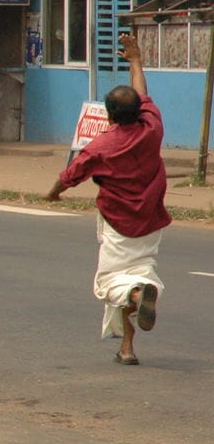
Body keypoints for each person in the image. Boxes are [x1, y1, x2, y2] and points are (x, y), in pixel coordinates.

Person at [46, 32, 168, 365]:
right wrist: (136, 60)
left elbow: (68, 176)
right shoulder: (152, 127)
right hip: (152, 222)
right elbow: (143, 94)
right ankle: (127, 347)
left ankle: (138, 294)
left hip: (118, 226)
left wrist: (52, 195)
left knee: (110, 283)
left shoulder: (101, 146)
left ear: (109, 115)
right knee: (140, 270)